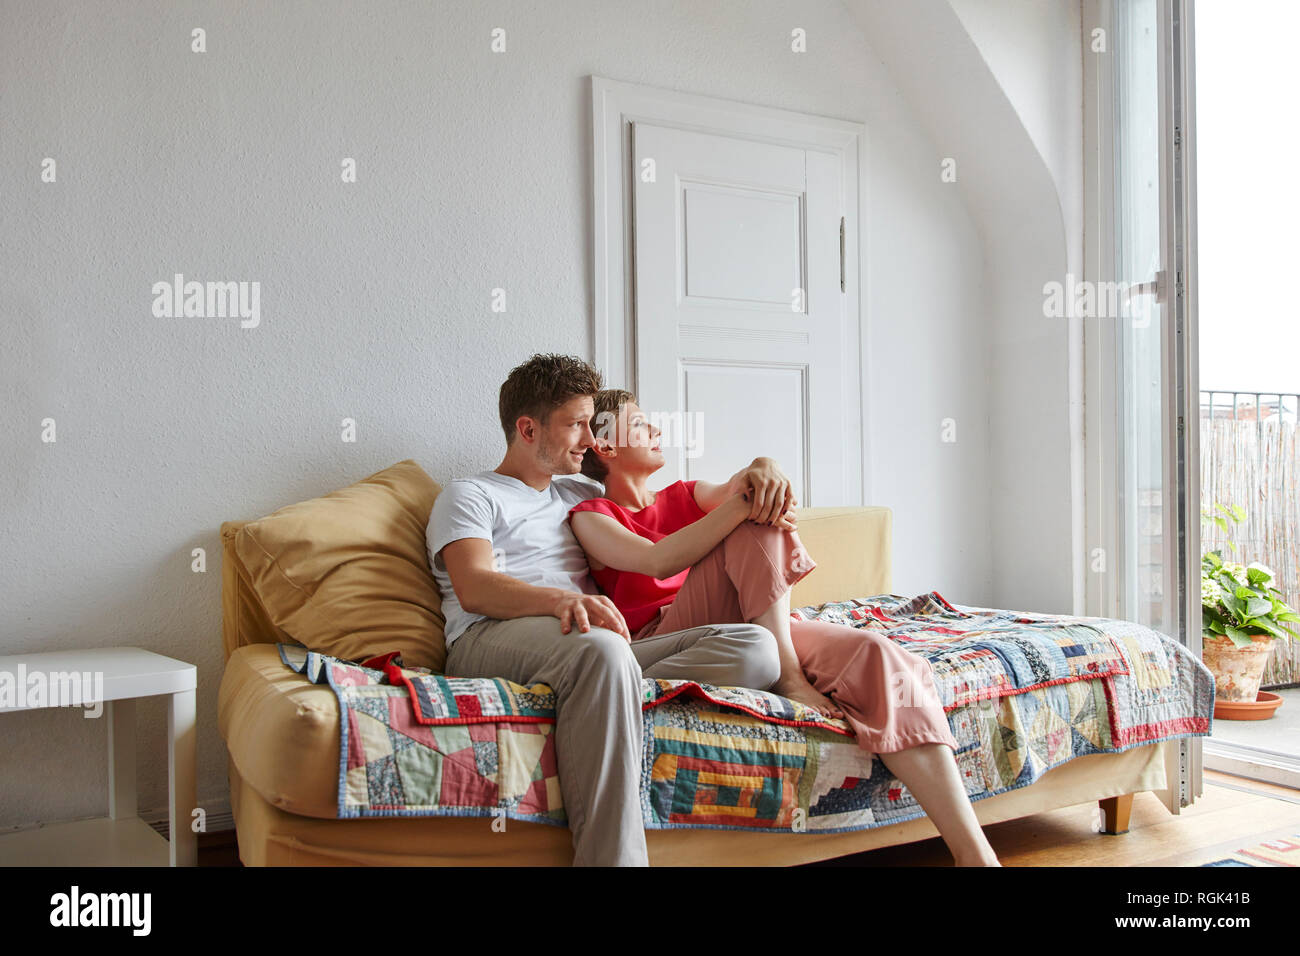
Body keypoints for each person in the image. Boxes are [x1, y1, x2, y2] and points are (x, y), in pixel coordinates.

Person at [565, 389, 1002, 867]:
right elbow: (657, 561)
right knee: (753, 518)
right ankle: (789, 676)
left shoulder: (685, 495)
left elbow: (746, 483)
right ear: (605, 446)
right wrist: (745, 503)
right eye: (640, 423)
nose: (656, 430)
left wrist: (764, 467)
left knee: (881, 658)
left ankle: (974, 854)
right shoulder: (591, 518)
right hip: (670, 638)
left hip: (748, 622)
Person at [426, 354, 787, 867]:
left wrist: (763, 465)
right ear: (527, 429)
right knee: (603, 652)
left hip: (589, 646)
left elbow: (688, 500)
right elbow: (474, 587)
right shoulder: (470, 495)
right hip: (490, 635)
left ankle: (602, 699)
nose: (589, 439)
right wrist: (562, 600)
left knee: (757, 649)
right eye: (576, 425)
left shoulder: (581, 491)